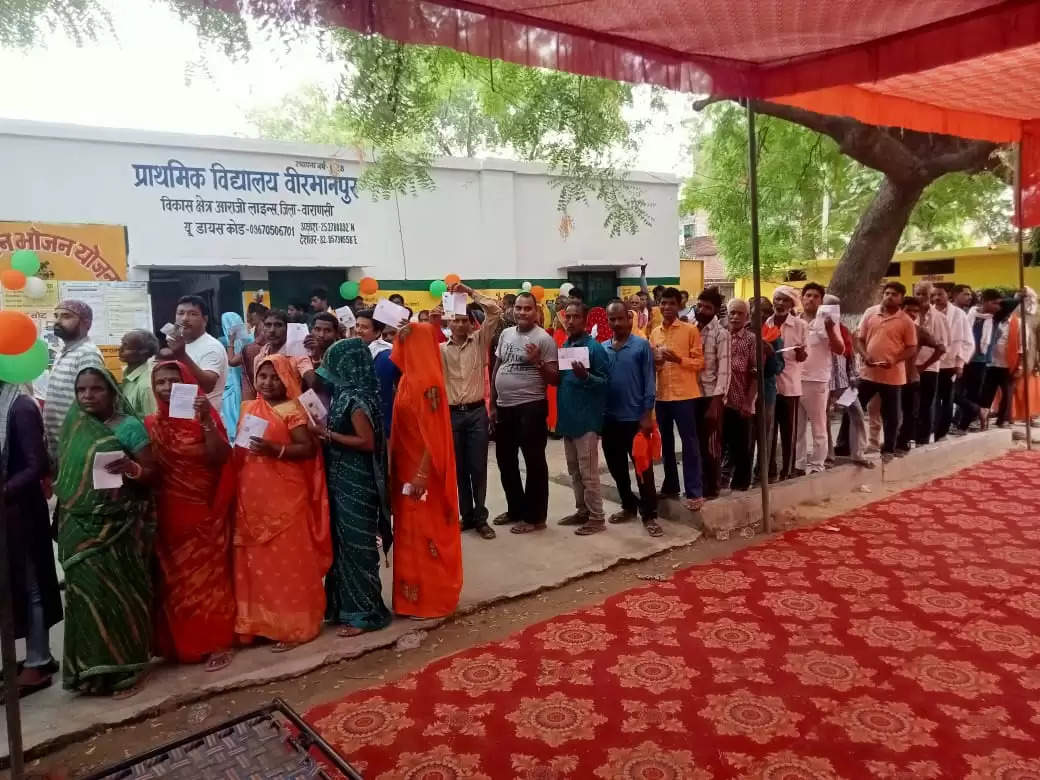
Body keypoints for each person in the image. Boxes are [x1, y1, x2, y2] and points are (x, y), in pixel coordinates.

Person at [55, 367, 156, 696]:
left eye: (96, 389)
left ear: (112, 393)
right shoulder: (74, 426)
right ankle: (90, 671)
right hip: (78, 524)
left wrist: (132, 468)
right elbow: (67, 476)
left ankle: (128, 667)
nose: (87, 395)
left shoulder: (129, 428)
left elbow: (153, 475)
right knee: (84, 599)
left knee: (119, 596)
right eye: (81, 390)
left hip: (119, 528)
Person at [234, 355, 331, 650]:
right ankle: (261, 625)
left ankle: (293, 626)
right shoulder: (248, 407)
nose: (267, 382)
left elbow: (308, 448)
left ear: (286, 378)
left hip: (286, 497)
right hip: (252, 497)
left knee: (288, 562)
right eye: (262, 376)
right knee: (257, 564)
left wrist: (273, 449)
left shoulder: (292, 410)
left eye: (274, 376)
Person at [146, 361, 236, 670]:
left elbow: (223, 457)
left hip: (202, 508)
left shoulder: (204, 416)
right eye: (160, 382)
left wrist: (205, 422)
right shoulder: (151, 424)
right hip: (167, 512)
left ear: (187, 382)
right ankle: (177, 644)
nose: (167, 387)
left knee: (206, 579)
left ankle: (214, 642)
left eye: (173, 380)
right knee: (174, 583)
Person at [313, 340, 393, 636]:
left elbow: (366, 442)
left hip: (357, 483)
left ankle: (366, 612)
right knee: (342, 546)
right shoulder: (346, 393)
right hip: (341, 479)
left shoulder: (356, 400)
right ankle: (342, 607)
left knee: (358, 547)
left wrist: (328, 435)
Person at [389, 323, 463, 617]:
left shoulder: (428, 381)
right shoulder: (408, 378)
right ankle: (410, 599)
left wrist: (421, 474)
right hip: (405, 467)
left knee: (428, 530)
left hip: (424, 471)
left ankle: (433, 596)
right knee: (409, 530)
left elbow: (434, 435)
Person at [2, 381, 62, 699]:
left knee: (31, 585)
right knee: (12, 587)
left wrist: (6, 490)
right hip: (8, 513)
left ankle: (38, 661)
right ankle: (30, 657)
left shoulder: (20, 407)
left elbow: (35, 464)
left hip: (20, 512)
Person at [491, 291, 560, 533]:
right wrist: (492, 402)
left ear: (536, 310)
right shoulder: (506, 334)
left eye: (527, 308)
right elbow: (498, 366)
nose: (521, 312)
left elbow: (555, 379)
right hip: (504, 407)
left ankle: (535, 518)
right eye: (518, 308)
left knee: (534, 462)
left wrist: (537, 361)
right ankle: (516, 509)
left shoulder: (544, 339)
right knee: (505, 461)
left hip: (531, 407)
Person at [440, 282, 502, 540]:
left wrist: (468, 292)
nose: (461, 325)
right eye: (456, 320)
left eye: (466, 320)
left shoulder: (479, 341)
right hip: (452, 415)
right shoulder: (440, 350)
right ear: (449, 324)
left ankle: (480, 518)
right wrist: (441, 306)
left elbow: (495, 312)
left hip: (477, 413)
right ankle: (466, 516)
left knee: (478, 468)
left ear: (471, 323)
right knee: (459, 469)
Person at [602, 301, 660, 536]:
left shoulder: (641, 346)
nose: (616, 323)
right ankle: (628, 506)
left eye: (620, 318)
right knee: (616, 468)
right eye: (611, 320)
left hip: (636, 419)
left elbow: (649, 380)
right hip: (610, 419)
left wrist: (646, 414)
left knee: (643, 469)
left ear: (628, 318)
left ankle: (650, 515)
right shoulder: (603, 348)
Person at [554, 302, 610, 535]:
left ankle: (597, 517)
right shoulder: (566, 345)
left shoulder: (594, 348)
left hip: (587, 421)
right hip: (568, 420)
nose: (570, 321)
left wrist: (586, 376)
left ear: (585, 320)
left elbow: (606, 383)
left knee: (588, 473)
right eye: (568, 317)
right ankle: (582, 511)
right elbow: (563, 381)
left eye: (576, 317)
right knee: (574, 471)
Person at [650, 287, 706, 511]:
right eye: (663, 303)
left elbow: (699, 363)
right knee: (667, 444)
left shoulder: (690, 330)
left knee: (690, 444)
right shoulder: (654, 333)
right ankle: (671, 484)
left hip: (685, 396)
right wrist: (659, 363)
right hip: (662, 396)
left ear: (679, 305)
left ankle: (694, 490)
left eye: (671, 303)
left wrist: (678, 359)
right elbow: (653, 365)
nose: (666, 307)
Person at [855, 282, 918, 460]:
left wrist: (894, 360)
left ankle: (888, 449)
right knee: (854, 409)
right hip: (868, 373)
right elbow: (859, 339)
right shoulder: (870, 313)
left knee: (891, 416)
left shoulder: (905, 321)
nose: (889, 296)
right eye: (887, 293)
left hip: (893, 377)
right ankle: (846, 445)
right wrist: (865, 355)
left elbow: (911, 348)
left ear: (901, 298)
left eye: (894, 294)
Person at [44, 300, 104, 463]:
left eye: (66, 316)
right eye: (56, 316)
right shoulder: (62, 353)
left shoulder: (87, 354)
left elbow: (93, 404)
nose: (57, 321)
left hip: (77, 446)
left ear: (85, 323)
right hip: (60, 445)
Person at [956, 288, 1022, 433]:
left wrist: (1017, 295)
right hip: (962, 359)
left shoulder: (995, 317)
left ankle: (962, 426)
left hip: (980, 362)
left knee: (972, 394)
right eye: (994, 303)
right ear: (983, 302)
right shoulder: (969, 314)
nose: (998, 307)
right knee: (955, 394)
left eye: (999, 304)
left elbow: (1011, 304)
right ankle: (978, 410)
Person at [796, 283, 844, 474]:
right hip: (794, 379)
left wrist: (831, 329)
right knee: (797, 427)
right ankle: (798, 464)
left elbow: (840, 349)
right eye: (808, 295)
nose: (811, 299)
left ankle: (817, 464)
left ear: (821, 300)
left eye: (816, 296)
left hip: (816, 380)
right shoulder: (795, 320)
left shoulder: (827, 321)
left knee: (818, 425)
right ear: (802, 298)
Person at [897, 283, 950, 449]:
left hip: (928, 368)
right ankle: (906, 438)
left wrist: (924, 364)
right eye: (918, 294)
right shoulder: (906, 315)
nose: (921, 298)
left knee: (926, 405)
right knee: (907, 406)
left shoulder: (940, 318)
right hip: (905, 368)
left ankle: (923, 440)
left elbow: (943, 345)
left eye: (925, 295)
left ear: (931, 296)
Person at [693, 288, 731, 496]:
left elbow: (725, 370)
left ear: (716, 310)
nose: (702, 310)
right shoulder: (691, 330)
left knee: (712, 444)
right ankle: (698, 484)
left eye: (707, 307)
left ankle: (712, 487)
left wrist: (716, 402)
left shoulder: (721, 334)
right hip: (692, 395)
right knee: (695, 443)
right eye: (700, 305)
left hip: (711, 397)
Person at [767, 286, 807, 479]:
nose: (780, 304)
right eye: (777, 299)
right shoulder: (766, 323)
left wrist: (800, 352)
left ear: (791, 304)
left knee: (788, 430)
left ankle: (788, 469)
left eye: (785, 300)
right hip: (770, 384)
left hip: (790, 384)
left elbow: (804, 355)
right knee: (769, 431)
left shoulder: (800, 325)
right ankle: (770, 469)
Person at [165, 295, 229, 414]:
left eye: (192, 314)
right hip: (183, 415)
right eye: (180, 313)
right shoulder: (180, 342)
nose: (184, 318)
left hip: (206, 420)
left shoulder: (211, 347)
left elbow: (208, 386)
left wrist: (181, 355)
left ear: (205, 320)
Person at [722, 299, 757, 490]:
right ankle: (720, 480)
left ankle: (741, 485)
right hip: (719, 402)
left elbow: (755, 373)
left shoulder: (751, 340)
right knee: (720, 445)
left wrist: (748, 402)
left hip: (739, 401)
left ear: (747, 317)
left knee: (742, 447)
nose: (735, 317)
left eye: (739, 313)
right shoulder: (721, 336)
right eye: (732, 313)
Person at [750, 298, 786, 483]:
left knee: (765, 434)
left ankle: (764, 471)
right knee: (746, 434)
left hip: (766, 390)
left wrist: (770, 354)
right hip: (744, 390)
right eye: (757, 311)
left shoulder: (774, 335)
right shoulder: (743, 330)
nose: (761, 315)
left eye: (766, 311)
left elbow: (779, 367)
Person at [931, 284, 972, 440]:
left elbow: (967, 342)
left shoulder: (959, 315)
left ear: (947, 295)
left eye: (939, 294)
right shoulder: (929, 312)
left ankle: (942, 432)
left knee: (947, 399)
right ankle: (931, 429)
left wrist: (960, 364)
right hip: (930, 363)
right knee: (931, 399)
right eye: (933, 295)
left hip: (949, 364)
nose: (936, 298)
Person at [256, 309, 316, 388]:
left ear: (288, 328)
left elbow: (313, 384)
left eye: (278, 325)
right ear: (263, 328)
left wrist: (315, 357)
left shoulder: (297, 353)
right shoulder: (261, 355)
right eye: (268, 325)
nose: (272, 330)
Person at [981, 308, 1020, 427]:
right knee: (987, 394)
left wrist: (1020, 366)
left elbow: (1023, 347)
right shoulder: (991, 321)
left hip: (1008, 365)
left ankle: (1002, 420)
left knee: (1007, 394)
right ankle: (984, 420)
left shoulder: (1018, 323)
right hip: (990, 364)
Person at [220, 311, 252, 438]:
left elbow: (231, 362)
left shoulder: (222, 342)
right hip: (247, 383)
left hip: (234, 386)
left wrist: (231, 342)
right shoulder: (250, 339)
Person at [305, 312, 342, 409]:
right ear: (311, 330)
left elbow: (322, 387)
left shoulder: (341, 356)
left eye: (327, 330)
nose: (321, 335)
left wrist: (317, 359)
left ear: (336, 333)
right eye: (317, 329)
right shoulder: (302, 351)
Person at [119, 329, 159, 417]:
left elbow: (154, 422)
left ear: (143, 352)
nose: (120, 349)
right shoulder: (127, 374)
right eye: (122, 343)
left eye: (126, 346)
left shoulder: (146, 385)